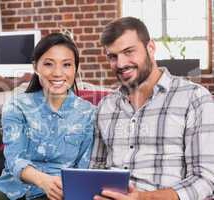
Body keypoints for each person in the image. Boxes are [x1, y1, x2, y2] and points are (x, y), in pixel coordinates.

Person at [90, 16, 214, 200]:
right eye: (113, 56)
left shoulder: (194, 98)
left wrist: (142, 198)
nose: (121, 63)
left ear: (151, 48)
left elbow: (205, 180)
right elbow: (95, 171)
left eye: (129, 52)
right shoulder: (106, 106)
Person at [0, 32, 96, 200]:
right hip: (14, 188)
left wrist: (61, 188)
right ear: (35, 67)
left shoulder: (88, 113)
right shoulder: (17, 105)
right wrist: (43, 181)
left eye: (67, 65)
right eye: (48, 64)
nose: (57, 73)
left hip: (60, 191)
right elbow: (14, 158)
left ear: (75, 68)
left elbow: (84, 167)